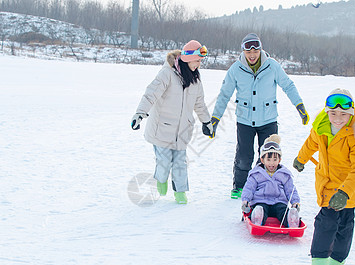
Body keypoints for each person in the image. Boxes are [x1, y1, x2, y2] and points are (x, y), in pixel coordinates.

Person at [210, 33, 309, 199]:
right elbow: (224, 95)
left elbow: (288, 86)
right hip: (245, 121)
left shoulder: (272, 66)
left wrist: (299, 106)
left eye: (255, 51)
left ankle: (262, 186)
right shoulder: (236, 69)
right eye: (248, 52)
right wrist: (215, 119)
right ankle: (239, 186)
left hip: (268, 120)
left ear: (260, 50)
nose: (252, 55)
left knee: (268, 156)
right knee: (243, 156)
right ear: (243, 52)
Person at [293, 88, 355, 265]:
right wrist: (301, 158)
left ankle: (337, 260)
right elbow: (311, 142)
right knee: (326, 222)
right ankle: (320, 260)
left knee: (345, 226)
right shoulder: (321, 126)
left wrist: (345, 192)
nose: (338, 118)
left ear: (351, 112)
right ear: (327, 112)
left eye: (343, 114)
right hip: (327, 185)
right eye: (333, 113)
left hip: (349, 189)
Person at [131, 40, 213, 204]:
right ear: (188, 58)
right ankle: (161, 180)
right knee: (164, 161)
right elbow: (151, 94)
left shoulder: (195, 80)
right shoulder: (167, 73)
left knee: (180, 163)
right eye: (197, 60)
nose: (199, 64)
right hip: (162, 129)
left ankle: (180, 193)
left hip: (182, 131)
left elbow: (199, 103)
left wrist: (206, 122)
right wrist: (140, 113)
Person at [241, 134, 300, 228]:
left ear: (279, 160)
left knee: (283, 211)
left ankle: (291, 220)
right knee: (261, 209)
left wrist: (295, 202)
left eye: (275, 159)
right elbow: (249, 188)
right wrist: (245, 201)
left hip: (279, 202)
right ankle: (257, 218)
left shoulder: (284, 174)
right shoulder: (256, 173)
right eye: (268, 159)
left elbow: (290, 189)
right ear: (262, 160)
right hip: (261, 201)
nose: (271, 163)